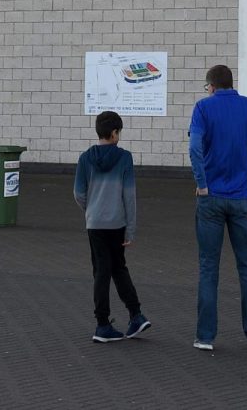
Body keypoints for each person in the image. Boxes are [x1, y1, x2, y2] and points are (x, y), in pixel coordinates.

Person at [189, 63, 247, 352]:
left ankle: (205, 336)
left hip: (211, 197)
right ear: (231, 83)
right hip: (243, 196)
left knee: (209, 267)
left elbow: (195, 147)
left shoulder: (203, 108)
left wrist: (202, 182)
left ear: (211, 86)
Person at [73, 109, 149, 343]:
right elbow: (129, 196)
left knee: (101, 272)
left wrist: (92, 210)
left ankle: (103, 323)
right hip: (117, 223)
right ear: (115, 133)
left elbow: (78, 193)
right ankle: (135, 314)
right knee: (119, 268)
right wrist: (131, 228)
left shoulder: (85, 158)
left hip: (95, 223)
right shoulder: (124, 158)